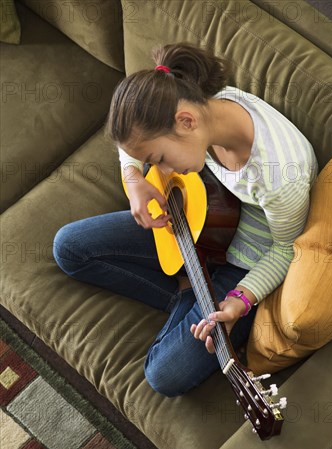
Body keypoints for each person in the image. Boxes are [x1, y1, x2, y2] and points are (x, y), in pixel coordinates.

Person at [53, 42, 317, 397]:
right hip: (206, 219)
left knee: (164, 374)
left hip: (247, 265)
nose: (158, 169)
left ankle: (189, 290)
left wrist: (240, 300)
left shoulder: (280, 176)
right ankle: (190, 287)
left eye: (159, 157)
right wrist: (134, 181)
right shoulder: (188, 98)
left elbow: (287, 249)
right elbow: (130, 135)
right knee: (69, 248)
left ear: (186, 122)